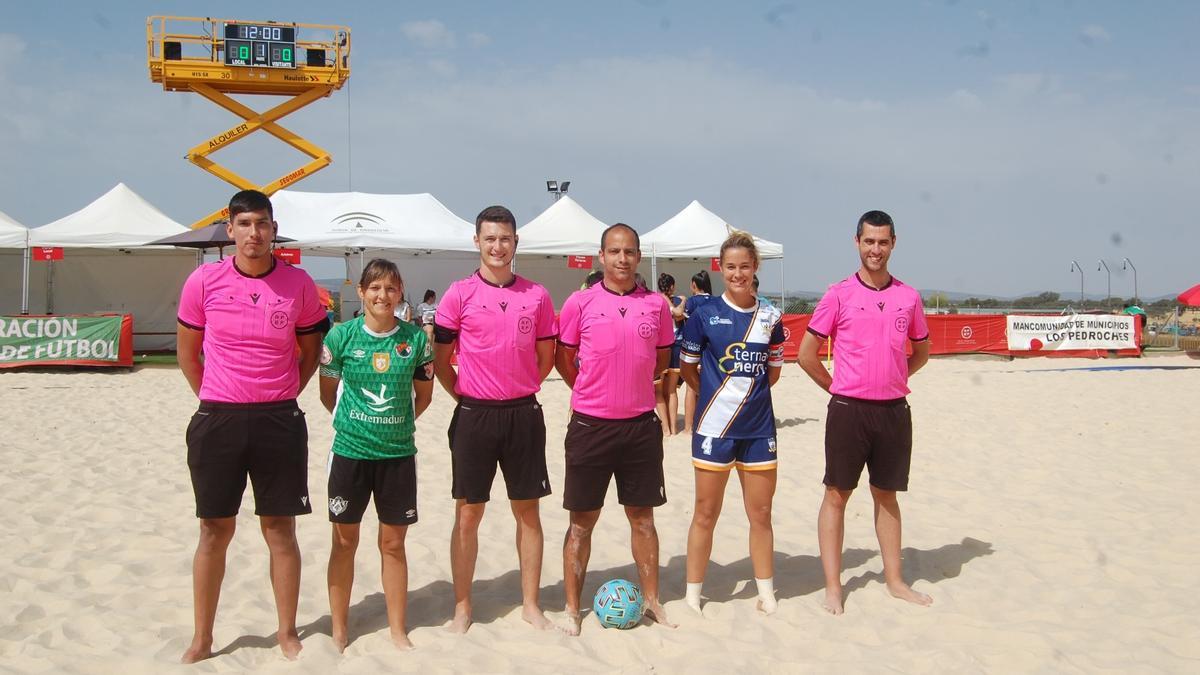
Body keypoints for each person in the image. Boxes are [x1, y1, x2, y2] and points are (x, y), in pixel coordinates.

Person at [175, 189, 330, 663]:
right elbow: (188, 355)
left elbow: (308, 355)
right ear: (230, 228)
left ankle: (286, 631)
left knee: (279, 529)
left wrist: (279, 394)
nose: (254, 234)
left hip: (278, 418)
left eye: (262, 224)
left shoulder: (299, 284)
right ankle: (203, 637)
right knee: (213, 531)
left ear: (273, 230)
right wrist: (218, 397)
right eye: (244, 225)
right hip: (218, 417)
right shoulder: (203, 281)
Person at [796, 210, 933, 615]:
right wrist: (837, 388)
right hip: (848, 410)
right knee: (837, 494)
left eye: (883, 242)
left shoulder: (908, 296)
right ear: (857, 242)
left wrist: (892, 378)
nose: (876, 249)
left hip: (893, 411)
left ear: (894, 243)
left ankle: (894, 579)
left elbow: (921, 352)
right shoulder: (838, 294)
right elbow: (806, 356)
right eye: (869, 241)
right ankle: (834, 587)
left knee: (886, 495)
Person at [433, 205, 558, 633]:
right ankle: (463, 606)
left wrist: (518, 386)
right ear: (477, 242)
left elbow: (545, 360)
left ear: (515, 242)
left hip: (523, 414)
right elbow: (442, 359)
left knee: (528, 513)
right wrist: (467, 394)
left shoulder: (537, 296)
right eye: (490, 238)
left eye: (505, 238)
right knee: (468, 515)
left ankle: (530, 604)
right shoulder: (459, 294)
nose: (498, 246)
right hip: (475, 416)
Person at [555, 223, 677, 635]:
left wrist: (630, 387)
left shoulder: (657, 306)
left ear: (638, 256)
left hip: (640, 426)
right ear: (601, 256)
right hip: (590, 425)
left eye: (629, 252)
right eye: (614, 251)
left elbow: (660, 361)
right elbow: (565, 359)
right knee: (581, 522)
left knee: (642, 519)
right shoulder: (580, 302)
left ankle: (654, 601)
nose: (622, 259)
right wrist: (593, 390)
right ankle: (573, 608)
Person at [319, 259, 434, 652]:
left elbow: (424, 397)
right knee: (344, 542)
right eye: (375, 288)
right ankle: (338, 629)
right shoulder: (341, 337)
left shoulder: (416, 340)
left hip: (398, 456)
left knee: (393, 545)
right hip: (349, 454)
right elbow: (326, 394)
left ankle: (397, 630)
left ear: (400, 292)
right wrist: (360, 423)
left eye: (390, 288)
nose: (382, 295)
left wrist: (393, 423)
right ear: (361, 292)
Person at [680, 232, 786, 615]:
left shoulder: (772, 316)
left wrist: (746, 399)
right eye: (730, 267)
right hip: (714, 431)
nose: (738, 273)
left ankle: (766, 592)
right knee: (705, 513)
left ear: (755, 268)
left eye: (744, 266)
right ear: (720, 269)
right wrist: (715, 397)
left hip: (759, 432)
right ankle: (693, 594)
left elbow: (770, 375)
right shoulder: (703, 314)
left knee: (760, 515)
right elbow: (689, 371)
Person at [682, 270, 716, 433]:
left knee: (691, 388)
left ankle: (689, 427)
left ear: (694, 285)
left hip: (695, 350)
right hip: (711, 353)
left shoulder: (692, 302)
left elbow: (682, 320)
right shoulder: (716, 301)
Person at [655, 273, 685, 435]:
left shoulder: (656, 300)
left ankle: (666, 428)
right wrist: (684, 300)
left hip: (660, 348)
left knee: (659, 391)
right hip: (676, 347)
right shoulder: (679, 301)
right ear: (672, 286)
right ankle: (673, 428)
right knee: (672, 390)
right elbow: (679, 315)